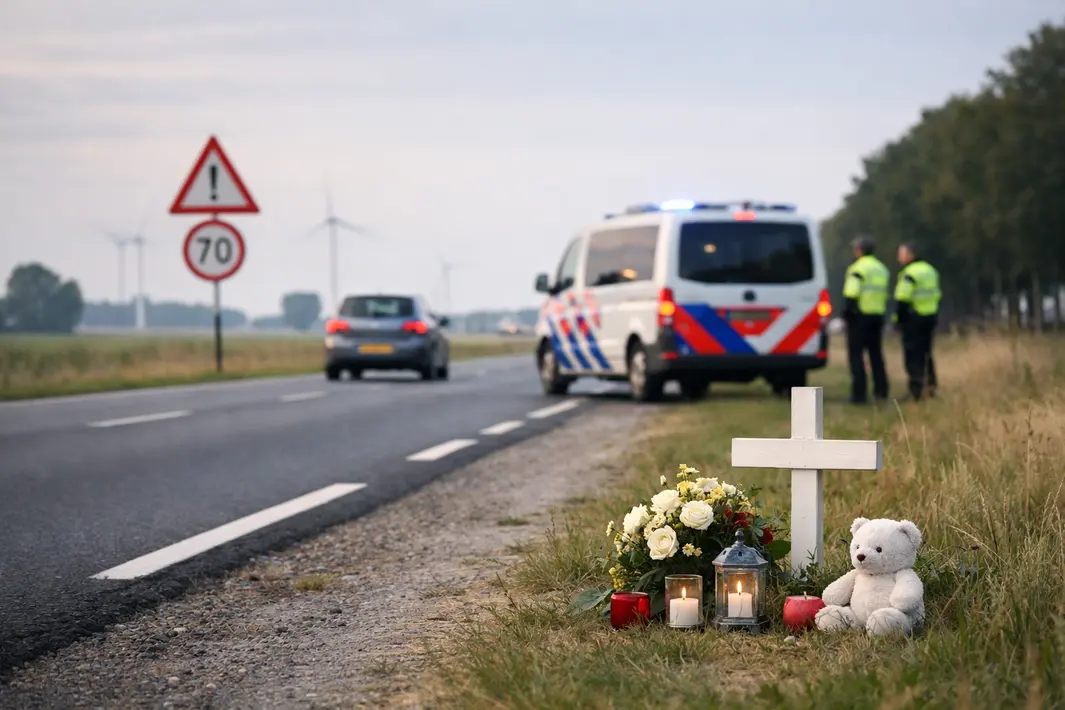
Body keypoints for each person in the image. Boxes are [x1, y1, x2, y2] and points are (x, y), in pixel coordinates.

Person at [841, 235, 890, 404]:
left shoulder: (857, 268)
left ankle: (859, 394)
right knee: (876, 355)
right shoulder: (881, 269)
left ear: (859, 250)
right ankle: (881, 391)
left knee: (856, 356)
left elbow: (851, 294)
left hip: (860, 317)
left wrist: (847, 314)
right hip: (878, 315)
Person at [893, 241, 941, 400]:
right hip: (930, 316)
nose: (898, 256)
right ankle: (931, 387)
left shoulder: (909, 273)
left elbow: (903, 298)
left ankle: (916, 390)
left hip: (914, 318)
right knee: (927, 353)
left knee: (913, 355)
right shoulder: (931, 271)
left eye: (901, 253)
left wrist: (899, 320)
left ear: (910, 255)